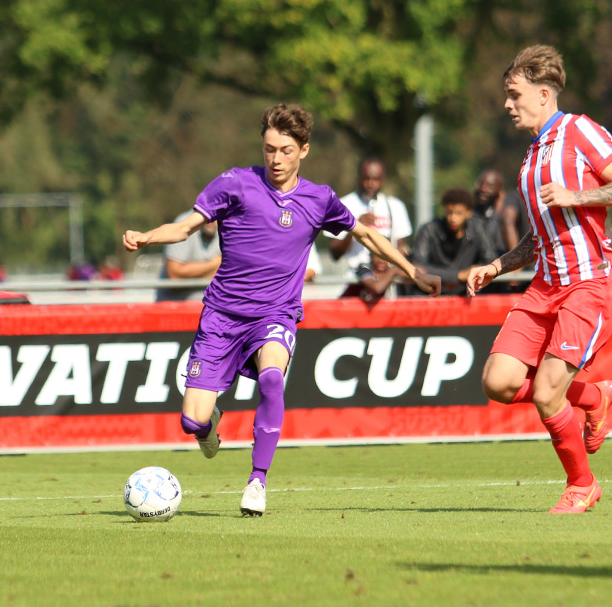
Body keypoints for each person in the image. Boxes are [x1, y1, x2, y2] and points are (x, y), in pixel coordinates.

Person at [123, 104, 441, 516]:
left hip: (275, 313)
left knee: (272, 377)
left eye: (286, 150)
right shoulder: (234, 183)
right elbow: (184, 228)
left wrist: (412, 271)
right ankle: (208, 424)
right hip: (221, 316)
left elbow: (368, 236)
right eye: (269, 149)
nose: (275, 159)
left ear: (303, 150)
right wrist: (147, 237)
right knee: (192, 422)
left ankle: (257, 481)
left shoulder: (319, 198)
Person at [467, 44, 612, 514]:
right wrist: (496, 266)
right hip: (545, 288)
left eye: (514, 95)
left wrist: (578, 194)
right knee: (498, 381)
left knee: (546, 391)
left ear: (542, 94)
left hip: (588, 284)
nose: (507, 105)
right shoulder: (530, 160)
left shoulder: (579, 130)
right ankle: (594, 397)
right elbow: (538, 239)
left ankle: (582, 485)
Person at [326, 158, 413, 280]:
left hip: (386, 280)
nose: (370, 183)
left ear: (383, 180)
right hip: (355, 278)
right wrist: (355, 226)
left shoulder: (395, 206)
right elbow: (335, 254)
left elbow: (400, 248)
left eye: (376, 179)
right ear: (358, 178)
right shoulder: (343, 205)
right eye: (366, 178)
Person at [410, 188, 498, 296]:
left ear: (468, 213)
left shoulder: (478, 230)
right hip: (430, 294)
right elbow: (417, 266)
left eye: (458, 213)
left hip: (465, 294)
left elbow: (490, 261)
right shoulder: (429, 230)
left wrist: (476, 270)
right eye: (449, 212)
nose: (453, 218)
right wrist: (459, 275)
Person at [155, 215, 221, 302]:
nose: (212, 219)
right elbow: (175, 274)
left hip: (208, 306)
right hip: (174, 306)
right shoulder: (183, 224)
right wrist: (214, 264)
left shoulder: (231, 227)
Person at [474, 169, 508, 255]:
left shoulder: (506, 216)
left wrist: (498, 213)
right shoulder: (472, 213)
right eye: (481, 184)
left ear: (500, 192)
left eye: (490, 186)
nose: (483, 189)